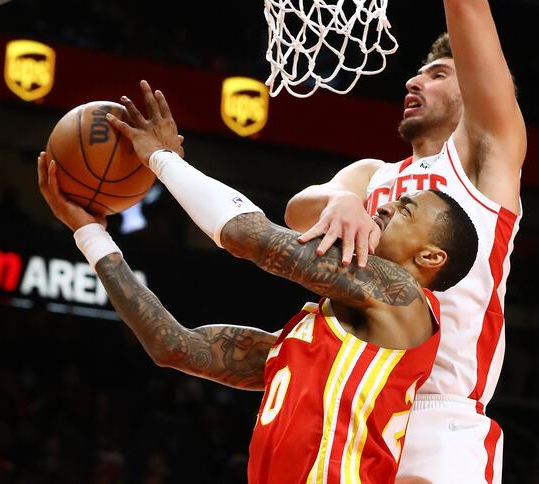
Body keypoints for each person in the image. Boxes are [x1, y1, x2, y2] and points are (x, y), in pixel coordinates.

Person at [37, 80, 479, 484]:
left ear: (430, 257)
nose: (383, 206)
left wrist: (161, 157)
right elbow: (170, 344)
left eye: (404, 210)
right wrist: (90, 233)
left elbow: (247, 235)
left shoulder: (404, 297)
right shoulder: (309, 339)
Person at [283, 2, 526, 483]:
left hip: (441, 417)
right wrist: (341, 200)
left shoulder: (484, 162)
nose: (413, 83)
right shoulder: (372, 175)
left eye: (437, 75)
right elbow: (296, 211)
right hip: (355, 404)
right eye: (417, 76)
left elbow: (470, 11)